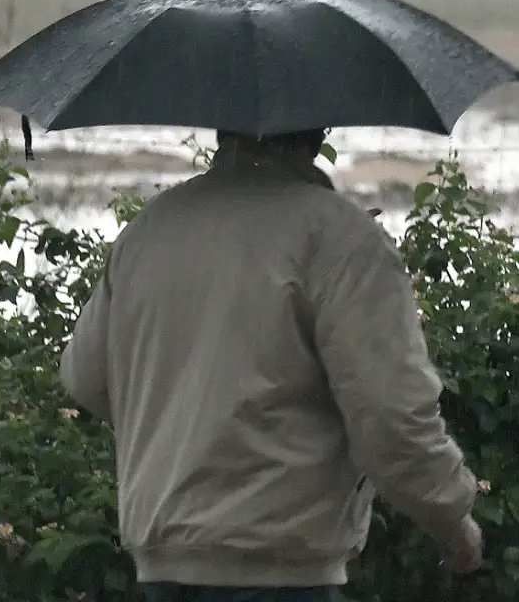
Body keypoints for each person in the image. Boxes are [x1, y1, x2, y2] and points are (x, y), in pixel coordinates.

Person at [60, 128, 484, 602]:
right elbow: (392, 416)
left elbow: (85, 379)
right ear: (318, 132)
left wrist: (185, 428)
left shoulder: (150, 230)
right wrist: (453, 521)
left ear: (221, 129)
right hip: (281, 571)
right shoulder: (339, 239)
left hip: (162, 564)